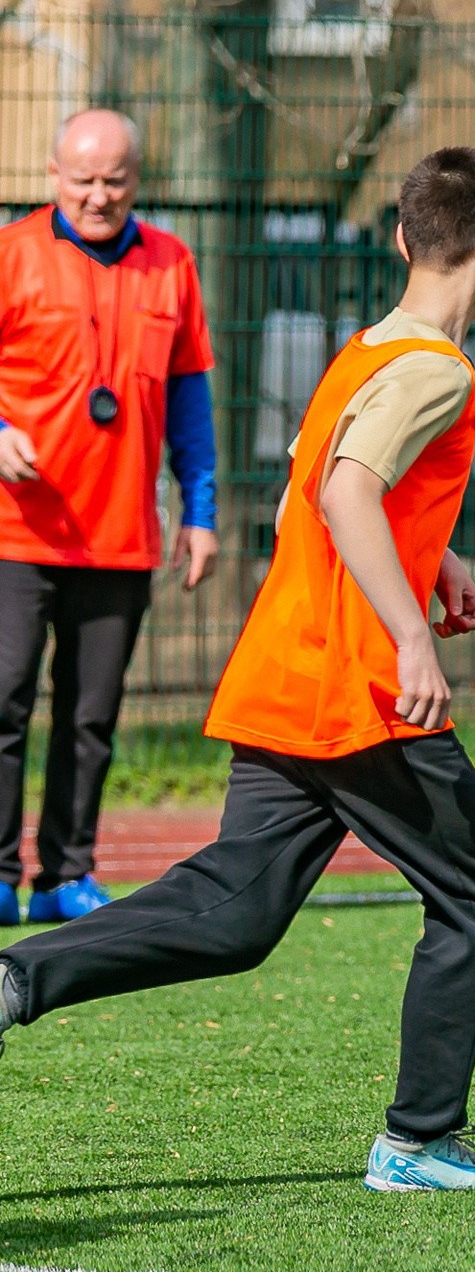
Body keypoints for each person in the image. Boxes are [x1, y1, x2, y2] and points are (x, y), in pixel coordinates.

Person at [0, 148, 475, 1192]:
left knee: (236, 915)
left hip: (284, 672)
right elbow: (343, 494)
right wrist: (411, 634)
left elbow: (305, 485)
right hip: (360, 695)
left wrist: (440, 562)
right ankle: (417, 1142)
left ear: (398, 239)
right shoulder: (436, 366)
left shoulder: (365, 351)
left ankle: (20, 977)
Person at [0, 109, 221, 925]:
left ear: (138, 179)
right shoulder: (10, 253)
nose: (98, 196)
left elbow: (191, 396)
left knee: (91, 717)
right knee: (2, 701)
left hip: (122, 533)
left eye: (115, 180)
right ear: (54, 174)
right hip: (15, 530)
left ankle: (67, 873)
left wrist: (200, 512)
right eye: (83, 179)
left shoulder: (172, 262)